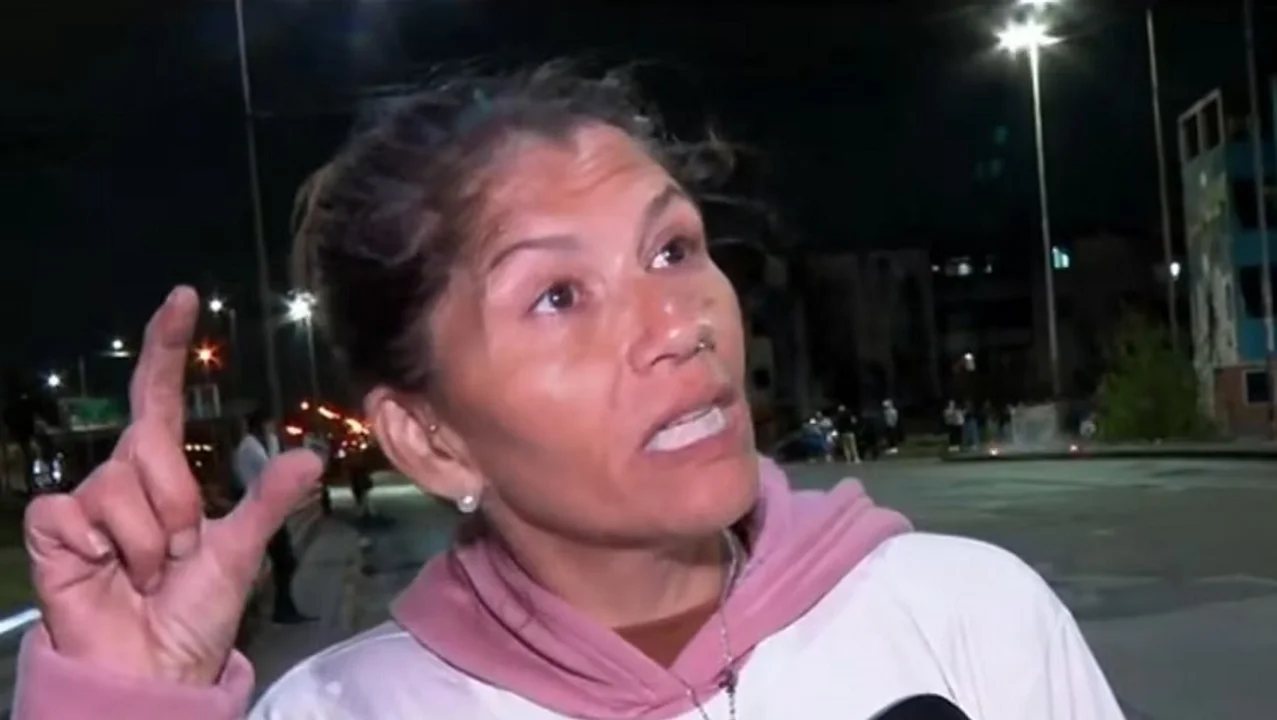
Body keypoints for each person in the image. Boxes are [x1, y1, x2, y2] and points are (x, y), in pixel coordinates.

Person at [14, 64, 1124, 719]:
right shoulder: (342, 713)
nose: (677, 325)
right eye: (556, 296)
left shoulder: (967, 618)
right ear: (432, 439)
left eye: (672, 250)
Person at [232, 409, 313, 625]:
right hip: (259, 511)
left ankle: (285, 606)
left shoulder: (268, 443)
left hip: (272, 510)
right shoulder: (248, 448)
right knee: (284, 560)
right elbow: (268, 473)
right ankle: (282, 609)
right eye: (268, 424)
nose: (271, 428)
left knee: (285, 560)